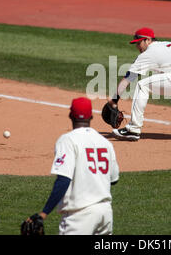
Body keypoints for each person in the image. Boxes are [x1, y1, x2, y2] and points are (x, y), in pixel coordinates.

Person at [24, 97, 120, 235]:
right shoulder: (105, 143)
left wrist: (44, 213)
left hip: (79, 216)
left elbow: (63, 180)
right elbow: (114, 179)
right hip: (105, 214)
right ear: (91, 117)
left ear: (70, 115)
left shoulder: (67, 140)